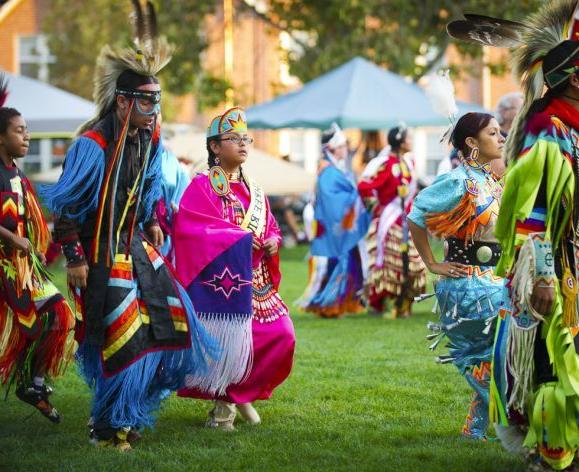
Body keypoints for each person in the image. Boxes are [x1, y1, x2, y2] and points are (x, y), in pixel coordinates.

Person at [39, 2, 217, 450]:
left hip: (135, 244)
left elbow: (150, 188)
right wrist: (75, 259)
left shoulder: (148, 138)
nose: (154, 109)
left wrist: (155, 219)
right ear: (123, 102)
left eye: (158, 101)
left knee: (168, 321)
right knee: (122, 338)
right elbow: (69, 209)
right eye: (147, 101)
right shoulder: (92, 145)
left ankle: (129, 411)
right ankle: (108, 424)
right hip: (99, 252)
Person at [447, 2, 579, 468]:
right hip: (557, 267)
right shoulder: (549, 128)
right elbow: (531, 210)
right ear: (575, 78)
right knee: (553, 357)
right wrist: (542, 275)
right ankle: (549, 448)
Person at [174, 107, 295, 431]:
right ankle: (223, 408)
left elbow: (271, 226)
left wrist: (271, 240)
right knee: (233, 344)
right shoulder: (202, 186)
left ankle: (239, 395)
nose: (243, 144)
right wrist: (241, 239)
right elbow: (191, 229)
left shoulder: (254, 189)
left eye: (246, 138)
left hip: (256, 280)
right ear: (215, 146)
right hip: (224, 283)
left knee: (282, 336)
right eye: (234, 139)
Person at [408, 112, 508, 440]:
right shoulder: (457, 181)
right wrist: (432, 263)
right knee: (485, 357)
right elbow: (416, 214)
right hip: (467, 286)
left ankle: (474, 431)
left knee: (499, 355)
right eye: (493, 133)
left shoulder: (488, 180)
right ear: (471, 142)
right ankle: (511, 419)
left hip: (492, 279)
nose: (501, 138)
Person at [0, 75, 75, 423]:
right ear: (1, 136)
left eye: (26, 129)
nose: (26, 136)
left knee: (60, 314)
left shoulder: (16, 171)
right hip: (4, 268)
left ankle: (35, 382)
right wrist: (11, 238)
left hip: (24, 268)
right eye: (18, 130)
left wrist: (32, 242)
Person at [297, 123, 370, 318]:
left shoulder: (335, 169)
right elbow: (331, 199)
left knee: (348, 262)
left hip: (340, 227)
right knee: (335, 264)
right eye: (343, 145)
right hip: (333, 228)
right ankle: (328, 305)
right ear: (332, 148)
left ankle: (343, 302)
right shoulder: (328, 171)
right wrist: (355, 197)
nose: (346, 148)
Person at [358, 125, 426, 318]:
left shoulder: (410, 163)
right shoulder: (386, 163)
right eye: (409, 138)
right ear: (400, 140)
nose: (412, 141)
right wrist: (374, 205)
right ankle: (386, 302)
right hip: (390, 221)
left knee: (414, 262)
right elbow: (364, 185)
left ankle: (405, 301)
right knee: (390, 262)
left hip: (407, 219)